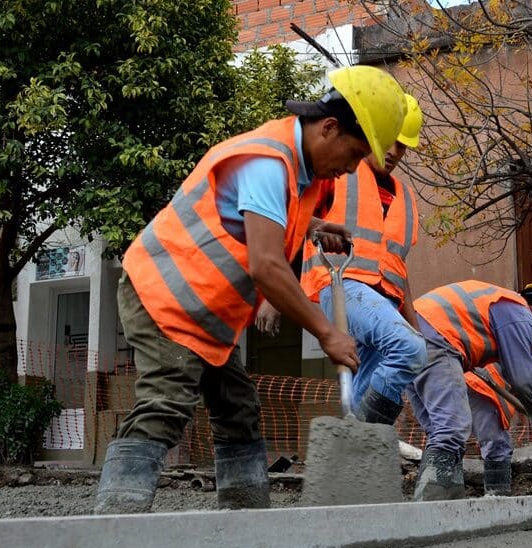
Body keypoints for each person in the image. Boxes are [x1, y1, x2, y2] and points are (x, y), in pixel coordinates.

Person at [94, 66, 409, 514]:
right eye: (355, 153)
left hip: (206, 312)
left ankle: (246, 520)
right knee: (167, 399)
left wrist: (315, 228)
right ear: (330, 128)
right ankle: (114, 522)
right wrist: (327, 333)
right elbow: (266, 265)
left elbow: (261, 221)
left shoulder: (306, 175)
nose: (352, 168)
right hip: (164, 294)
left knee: (238, 409)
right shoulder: (267, 162)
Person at [256, 94, 426, 425]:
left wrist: (415, 325)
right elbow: (294, 225)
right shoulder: (339, 172)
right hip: (340, 285)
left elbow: (399, 267)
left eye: (402, 146)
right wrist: (273, 297)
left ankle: (354, 455)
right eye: (388, 141)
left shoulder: (405, 198)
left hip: (385, 303)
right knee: (407, 348)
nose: (393, 152)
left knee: (374, 381)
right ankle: (366, 438)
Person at [407, 280, 532, 500]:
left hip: (410, 331)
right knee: (451, 429)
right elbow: (525, 380)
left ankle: (447, 503)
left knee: (440, 432)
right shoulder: (518, 312)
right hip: (439, 342)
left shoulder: (494, 304)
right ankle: (429, 509)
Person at [464, 325, 532, 496]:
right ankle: (497, 498)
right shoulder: (531, 355)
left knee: (451, 437)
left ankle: (447, 493)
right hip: (479, 389)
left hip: (463, 384)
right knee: (498, 445)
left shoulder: (512, 347)